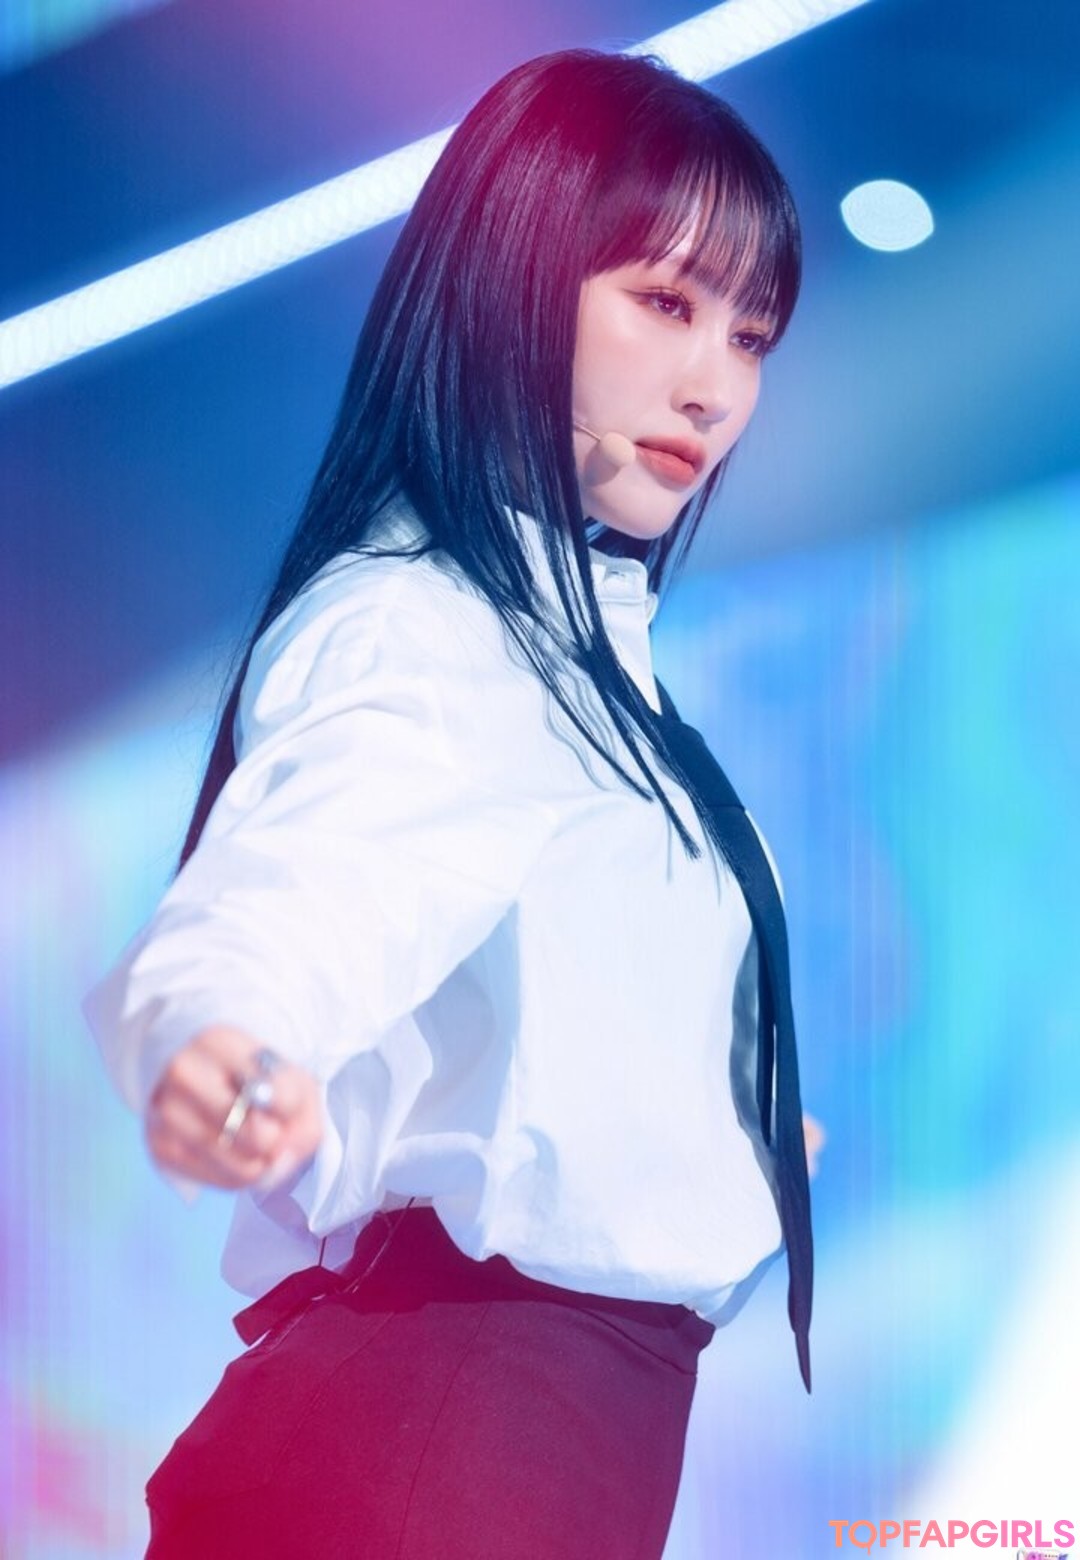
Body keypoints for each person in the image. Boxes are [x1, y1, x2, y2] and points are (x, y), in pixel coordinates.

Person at [85, 46, 818, 1560]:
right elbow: (290, 902)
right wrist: (224, 1040)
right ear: (517, 278)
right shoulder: (431, 625)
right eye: (665, 302)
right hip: (433, 1459)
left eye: (751, 334)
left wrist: (717, 1132)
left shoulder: (582, 653)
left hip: (519, 1455)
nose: (716, 386)